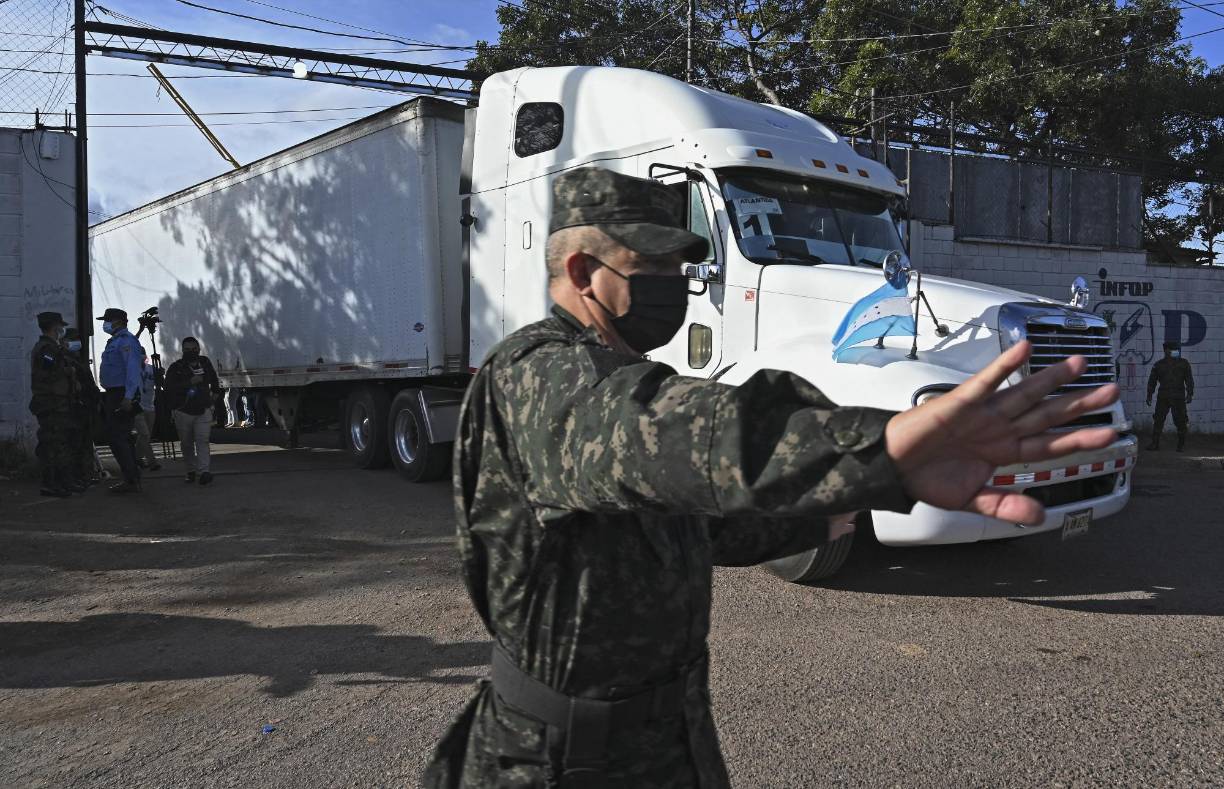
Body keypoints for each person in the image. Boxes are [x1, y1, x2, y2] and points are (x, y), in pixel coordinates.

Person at [423, 167, 1121, 789]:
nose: (673, 282)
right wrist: (882, 448)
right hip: (559, 758)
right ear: (581, 272)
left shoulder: (624, 371)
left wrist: (827, 512)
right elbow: (674, 435)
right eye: (653, 263)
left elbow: (696, 521)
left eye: (679, 263)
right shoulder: (539, 375)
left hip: (667, 741)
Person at [28, 312, 81, 497]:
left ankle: (62, 482)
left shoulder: (52, 347)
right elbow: (48, 372)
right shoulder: (47, 349)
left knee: (59, 443)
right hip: (51, 403)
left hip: (56, 402)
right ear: (54, 327)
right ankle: (52, 484)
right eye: (60, 326)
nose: (62, 330)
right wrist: (68, 370)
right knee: (53, 445)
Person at [96, 307, 144, 493]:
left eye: (107, 320)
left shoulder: (126, 341)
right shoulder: (115, 341)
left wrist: (128, 396)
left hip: (121, 394)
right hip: (114, 394)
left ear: (118, 321)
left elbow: (132, 369)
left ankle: (131, 480)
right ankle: (132, 477)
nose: (104, 324)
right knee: (119, 437)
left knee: (118, 438)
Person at [164, 336, 221, 485]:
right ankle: (190, 470)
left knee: (203, 441)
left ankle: (204, 472)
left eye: (194, 349)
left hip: (203, 410)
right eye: (187, 350)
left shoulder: (205, 362)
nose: (191, 352)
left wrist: (214, 396)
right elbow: (169, 388)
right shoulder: (176, 367)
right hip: (183, 411)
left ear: (199, 349)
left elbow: (214, 380)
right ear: (182, 350)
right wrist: (189, 383)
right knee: (187, 443)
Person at [62, 327, 103, 486]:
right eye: (73, 339)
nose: (76, 342)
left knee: (85, 442)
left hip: (86, 406)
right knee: (76, 443)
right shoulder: (64, 360)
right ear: (64, 342)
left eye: (77, 339)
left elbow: (89, 383)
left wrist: (96, 400)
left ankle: (85, 475)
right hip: (76, 407)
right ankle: (76, 476)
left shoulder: (78, 359)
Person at [1146, 340, 1195, 452]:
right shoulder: (1158, 365)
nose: (1175, 352)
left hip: (1178, 396)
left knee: (1181, 420)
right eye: (1173, 350)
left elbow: (1189, 380)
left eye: (1176, 350)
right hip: (1163, 396)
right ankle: (1155, 443)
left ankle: (1181, 445)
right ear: (1166, 351)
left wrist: (1190, 393)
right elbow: (1152, 381)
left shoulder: (1184, 363)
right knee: (1158, 419)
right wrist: (1149, 394)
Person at [132, 349, 162, 471]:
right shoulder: (131, 370)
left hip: (150, 405)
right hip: (137, 406)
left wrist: (160, 375)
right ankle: (152, 462)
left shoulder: (151, 369)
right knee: (144, 434)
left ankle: (136, 458)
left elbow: (159, 384)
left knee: (145, 436)